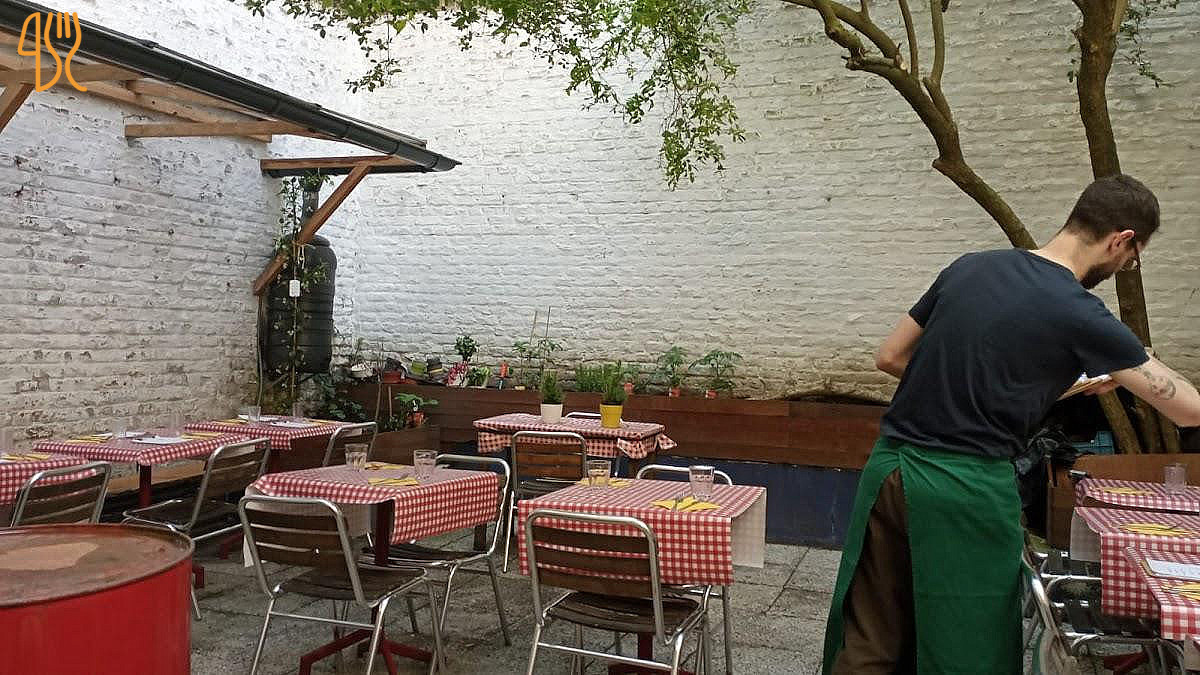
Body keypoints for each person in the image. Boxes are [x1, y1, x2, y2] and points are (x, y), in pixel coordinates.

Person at [821, 174, 1200, 674]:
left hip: (889, 470)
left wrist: (1060, 387)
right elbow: (1188, 409)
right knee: (966, 646)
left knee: (870, 636)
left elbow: (890, 357)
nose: (1124, 268)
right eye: (1132, 259)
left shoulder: (969, 268)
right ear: (1121, 239)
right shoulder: (1080, 311)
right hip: (966, 487)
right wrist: (1131, 362)